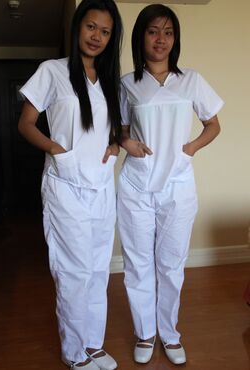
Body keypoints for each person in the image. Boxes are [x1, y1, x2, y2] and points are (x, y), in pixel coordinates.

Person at [18, 1, 123, 369]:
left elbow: (113, 128)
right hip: (65, 186)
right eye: (91, 27)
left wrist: (115, 144)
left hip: (100, 185)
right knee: (73, 271)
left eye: (105, 31)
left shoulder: (109, 79)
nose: (97, 36)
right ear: (78, 27)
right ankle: (74, 352)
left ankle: (93, 343)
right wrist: (56, 149)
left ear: (112, 37)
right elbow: (26, 124)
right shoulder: (53, 71)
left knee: (97, 269)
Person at [117, 3, 224, 366]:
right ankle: (145, 333)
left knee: (171, 264)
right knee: (138, 264)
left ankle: (170, 333)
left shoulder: (191, 79)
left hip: (177, 186)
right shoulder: (128, 84)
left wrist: (190, 148)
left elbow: (213, 124)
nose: (160, 39)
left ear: (175, 39)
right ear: (141, 37)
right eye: (152, 31)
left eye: (168, 32)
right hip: (136, 184)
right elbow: (121, 130)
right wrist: (126, 141)